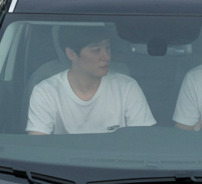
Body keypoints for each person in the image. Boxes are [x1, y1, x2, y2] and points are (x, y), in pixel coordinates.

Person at [26, 27, 155, 135]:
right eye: (96, 50)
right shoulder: (45, 92)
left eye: (107, 48)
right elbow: (38, 145)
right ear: (71, 54)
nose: (106, 57)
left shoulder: (127, 87)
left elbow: (142, 142)